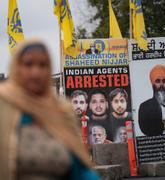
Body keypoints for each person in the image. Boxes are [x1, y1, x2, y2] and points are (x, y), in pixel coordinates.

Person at [0, 39, 99, 180]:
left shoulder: (61, 111)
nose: (36, 72)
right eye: (28, 64)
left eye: (43, 65)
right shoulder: (3, 104)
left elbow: (79, 169)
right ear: (16, 67)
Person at [139, 64, 165, 136]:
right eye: (158, 81)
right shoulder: (145, 106)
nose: (161, 84)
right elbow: (144, 128)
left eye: (164, 81)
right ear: (153, 84)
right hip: (158, 144)